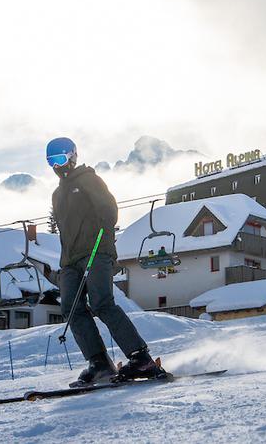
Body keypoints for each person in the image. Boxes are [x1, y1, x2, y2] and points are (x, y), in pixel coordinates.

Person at [47, 137, 162, 386]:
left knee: (101, 303)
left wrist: (103, 240)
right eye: (51, 161)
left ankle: (139, 357)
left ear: (73, 156)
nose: (56, 166)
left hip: (96, 251)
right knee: (71, 308)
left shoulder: (89, 179)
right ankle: (99, 363)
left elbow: (109, 210)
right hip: (70, 260)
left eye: (60, 159)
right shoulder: (57, 194)